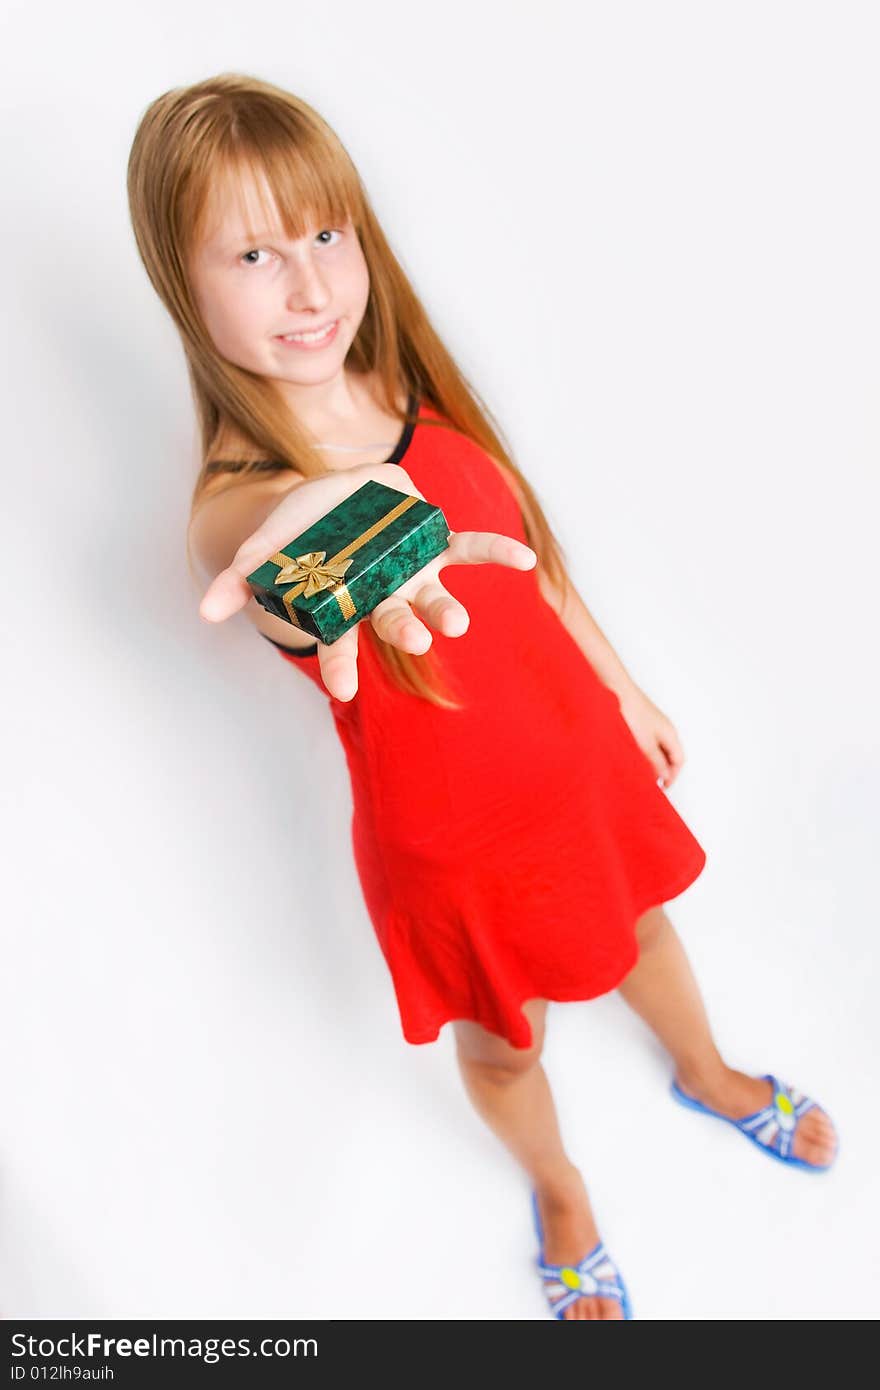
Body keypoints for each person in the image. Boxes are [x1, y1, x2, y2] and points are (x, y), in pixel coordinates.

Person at [126, 73, 839, 1321]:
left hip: (579, 764)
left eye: (325, 237)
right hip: (448, 844)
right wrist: (325, 544)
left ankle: (710, 1072)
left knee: (644, 936)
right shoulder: (237, 501)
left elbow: (535, 564)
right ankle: (560, 1191)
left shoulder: (416, 387)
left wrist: (622, 689)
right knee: (506, 1043)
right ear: (182, 283)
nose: (309, 289)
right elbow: (277, 558)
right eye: (253, 253)